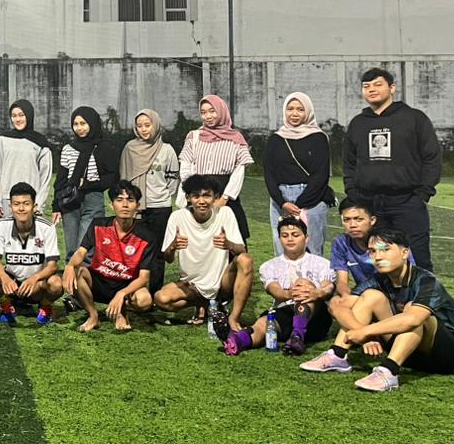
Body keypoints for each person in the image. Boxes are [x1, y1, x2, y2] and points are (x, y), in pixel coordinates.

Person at [300, 229, 454, 391]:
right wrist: (363, 334)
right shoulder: (378, 280)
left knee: (413, 312)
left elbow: (413, 320)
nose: (378, 256)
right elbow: (337, 305)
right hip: (408, 355)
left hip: (446, 357)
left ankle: (389, 371)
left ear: (405, 253)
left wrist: (366, 331)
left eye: (385, 250)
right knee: (371, 296)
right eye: (372, 251)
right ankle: (337, 355)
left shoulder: (426, 281)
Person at [342, 67, 442, 270]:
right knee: (378, 258)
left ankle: (422, 291)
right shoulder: (358, 123)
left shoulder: (414, 118)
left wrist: (422, 194)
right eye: (366, 86)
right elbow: (349, 163)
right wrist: (352, 191)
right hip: (369, 203)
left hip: (406, 201)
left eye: (378, 84)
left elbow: (432, 157)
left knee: (417, 257)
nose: (371, 89)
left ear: (392, 88)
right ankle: (383, 292)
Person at [217, 216, 334, 356]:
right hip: (284, 314)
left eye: (295, 235)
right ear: (279, 239)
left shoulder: (323, 263)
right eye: (285, 235)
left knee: (303, 284)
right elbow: (274, 290)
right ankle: (236, 341)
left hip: (315, 320)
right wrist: (290, 294)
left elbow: (328, 287)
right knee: (263, 324)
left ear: (306, 238)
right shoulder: (269, 266)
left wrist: (316, 293)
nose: (290, 239)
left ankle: (297, 336)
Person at [154, 175, 255, 333]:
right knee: (161, 299)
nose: (201, 201)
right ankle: (205, 303)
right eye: (196, 196)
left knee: (246, 260)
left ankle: (233, 318)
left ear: (216, 197)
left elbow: (241, 250)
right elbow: (168, 258)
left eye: (207, 196)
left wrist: (228, 244)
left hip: (222, 282)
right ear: (188, 198)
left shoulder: (225, 213)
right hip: (192, 285)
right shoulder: (177, 217)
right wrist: (173, 246)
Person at [61, 180, 155, 332]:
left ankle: (122, 310)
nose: (125, 205)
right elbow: (81, 252)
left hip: (126, 285)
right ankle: (93, 316)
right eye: (119, 200)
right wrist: (70, 266)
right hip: (99, 282)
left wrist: (122, 293)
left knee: (145, 300)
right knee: (77, 272)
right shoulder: (98, 225)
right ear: (112, 205)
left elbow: (144, 278)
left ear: (137, 205)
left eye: (130, 200)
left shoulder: (147, 236)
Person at [263, 92, 334, 257]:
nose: (294, 113)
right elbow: (269, 173)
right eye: (290, 109)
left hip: (312, 199)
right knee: (282, 250)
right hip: (281, 199)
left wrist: (299, 204)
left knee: (313, 249)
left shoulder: (318, 138)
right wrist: (282, 203)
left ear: (308, 111)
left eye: (300, 109)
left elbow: (321, 174)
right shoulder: (276, 139)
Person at [177, 95, 254, 246]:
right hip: (198, 193)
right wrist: (192, 192)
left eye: (212, 111)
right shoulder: (194, 137)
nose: (208, 116)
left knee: (231, 240)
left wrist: (224, 198)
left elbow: (239, 171)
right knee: (199, 241)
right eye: (203, 112)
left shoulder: (235, 138)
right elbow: (185, 165)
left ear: (221, 111)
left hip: (225, 193)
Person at [0, 181, 64, 324]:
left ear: (34, 206)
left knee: (56, 283)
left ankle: (45, 305)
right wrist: (4, 278)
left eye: (26, 204)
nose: (21, 208)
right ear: (10, 207)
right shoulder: (1, 225)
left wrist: (34, 279)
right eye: (16, 204)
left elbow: (53, 266)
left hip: (36, 286)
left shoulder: (47, 228)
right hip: (12, 284)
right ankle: (6, 304)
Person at [118, 108, 178, 292]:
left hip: (160, 208)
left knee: (158, 252)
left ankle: (155, 293)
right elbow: (124, 177)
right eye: (139, 126)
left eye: (147, 125)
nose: (143, 129)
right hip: (136, 208)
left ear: (156, 125)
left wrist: (160, 195)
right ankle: (135, 293)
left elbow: (173, 180)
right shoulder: (130, 148)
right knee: (134, 251)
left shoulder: (166, 150)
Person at [52, 105, 120, 260]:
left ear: (92, 123)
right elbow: (61, 179)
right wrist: (56, 206)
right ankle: (71, 275)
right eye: (75, 124)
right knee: (71, 250)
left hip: (92, 199)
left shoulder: (103, 148)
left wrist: (89, 184)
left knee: (86, 249)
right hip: (70, 200)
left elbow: (113, 177)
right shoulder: (68, 149)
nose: (79, 128)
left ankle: (85, 275)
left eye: (83, 123)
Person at [328, 196, 405, 324]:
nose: (352, 225)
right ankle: (361, 331)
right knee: (335, 302)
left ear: (372, 220)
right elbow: (342, 281)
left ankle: (365, 330)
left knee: (371, 297)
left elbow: (407, 275)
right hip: (362, 293)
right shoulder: (341, 242)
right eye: (347, 220)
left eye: (359, 219)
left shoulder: (388, 241)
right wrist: (347, 296)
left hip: (393, 295)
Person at [0, 99, 53, 219]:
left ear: (29, 115)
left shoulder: (40, 142)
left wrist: (39, 203)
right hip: (7, 199)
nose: (17, 119)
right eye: (14, 116)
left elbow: (45, 176)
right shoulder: (2, 140)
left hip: (31, 200)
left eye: (21, 115)